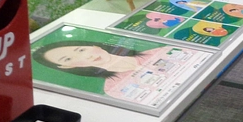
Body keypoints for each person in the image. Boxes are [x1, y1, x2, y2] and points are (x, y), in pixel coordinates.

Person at [34, 39, 181, 98]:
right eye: (67, 59)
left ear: (94, 46)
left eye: (81, 50)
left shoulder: (159, 52)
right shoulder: (113, 88)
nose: (88, 57)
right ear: (67, 66)